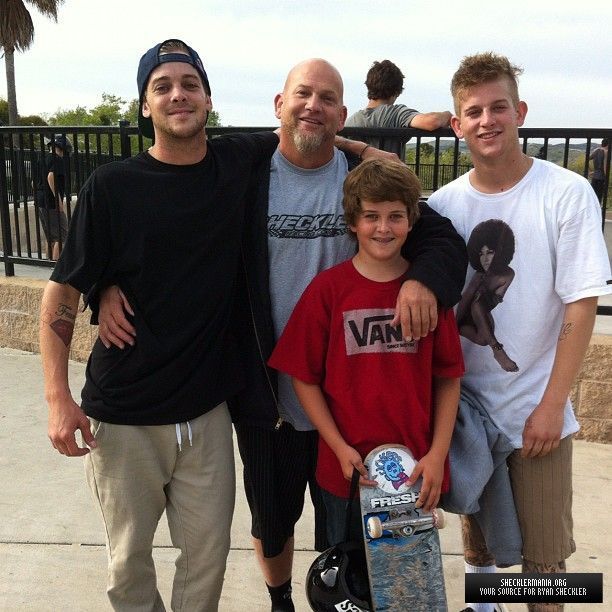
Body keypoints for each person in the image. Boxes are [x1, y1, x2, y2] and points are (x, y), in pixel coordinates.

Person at [97, 58, 468, 612]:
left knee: (349, 524)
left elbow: (437, 235)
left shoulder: (362, 181)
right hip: (268, 392)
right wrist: (102, 282)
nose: (312, 106)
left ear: (344, 113)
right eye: (302, 94)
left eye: (326, 98)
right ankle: (279, 601)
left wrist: (424, 282)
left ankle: (346, 597)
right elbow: (163, 216)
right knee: (272, 519)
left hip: (350, 400)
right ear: (278, 104)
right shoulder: (240, 174)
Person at [39, 38, 284, 612]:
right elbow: (62, 287)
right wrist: (56, 397)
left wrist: (372, 155)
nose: (178, 95)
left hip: (206, 412)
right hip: (123, 416)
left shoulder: (235, 162)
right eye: (162, 86)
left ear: (207, 98)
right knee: (128, 563)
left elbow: (305, 134)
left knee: (207, 561)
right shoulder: (112, 186)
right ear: (145, 106)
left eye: (189, 84)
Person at [427, 52, 612, 612]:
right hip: (467, 409)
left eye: (498, 107)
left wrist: (554, 404)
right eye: (473, 111)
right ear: (456, 125)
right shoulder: (443, 206)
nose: (487, 120)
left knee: (544, 563)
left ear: (520, 111)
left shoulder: (565, 193)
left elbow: (581, 302)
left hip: (537, 408)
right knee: (479, 543)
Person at [268, 158, 464, 550]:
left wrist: (438, 454)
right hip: (347, 472)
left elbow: (448, 378)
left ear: (411, 221)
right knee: (346, 585)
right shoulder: (328, 291)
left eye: (395, 217)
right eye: (371, 216)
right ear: (353, 222)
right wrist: (337, 445)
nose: (383, 228)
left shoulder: (428, 296)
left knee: (408, 589)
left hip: (415, 473)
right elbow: (303, 377)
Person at [345, 59, 452, 158]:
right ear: (397, 91)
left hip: (357, 178)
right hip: (391, 177)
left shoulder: (350, 122)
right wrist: (448, 115)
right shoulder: (396, 113)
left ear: (368, 86)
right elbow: (432, 121)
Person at [456, 219, 518, 372]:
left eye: (490, 252)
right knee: (476, 303)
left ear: (500, 251)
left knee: (483, 339)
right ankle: (498, 350)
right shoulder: (479, 275)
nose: (485, 258)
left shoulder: (508, 274)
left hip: (482, 313)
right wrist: (454, 323)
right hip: (468, 313)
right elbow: (466, 298)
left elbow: (495, 300)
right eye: (481, 253)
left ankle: (491, 344)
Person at [34, 134, 72, 260]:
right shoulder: (58, 160)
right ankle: (56, 265)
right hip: (51, 201)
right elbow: (51, 177)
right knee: (62, 235)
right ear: (63, 148)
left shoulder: (42, 159)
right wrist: (58, 199)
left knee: (50, 236)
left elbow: (33, 182)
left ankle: (49, 262)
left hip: (40, 200)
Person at [589, 137, 609, 206]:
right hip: (601, 177)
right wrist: (607, 177)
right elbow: (605, 167)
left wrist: (591, 171)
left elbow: (587, 159)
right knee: (599, 197)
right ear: (608, 144)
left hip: (594, 177)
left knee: (593, 195)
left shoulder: (596, 150)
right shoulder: (606, 152)